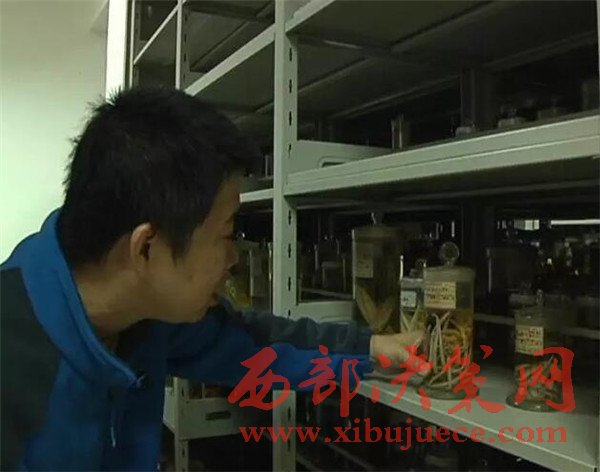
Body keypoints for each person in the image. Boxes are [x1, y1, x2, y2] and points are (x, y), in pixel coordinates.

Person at [0, 87, 423, 470]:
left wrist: (369, 347)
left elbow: (255, 345)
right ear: (146, 248)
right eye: (226, 233)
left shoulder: (143, 315)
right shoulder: (14, 370)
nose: (234, 258)